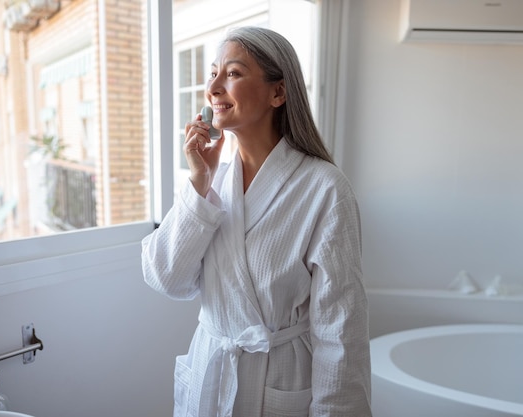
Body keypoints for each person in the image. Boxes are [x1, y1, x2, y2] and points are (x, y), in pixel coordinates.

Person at [141, 26, 372, 417]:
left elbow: (341, 332)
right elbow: (166, 277)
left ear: (278, 92)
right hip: (209, 377)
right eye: (212, 73)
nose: (213, 87)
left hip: (277, 382)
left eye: (231, 73)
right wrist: (198, 181)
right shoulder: (213, 183)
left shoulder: (324, 188)